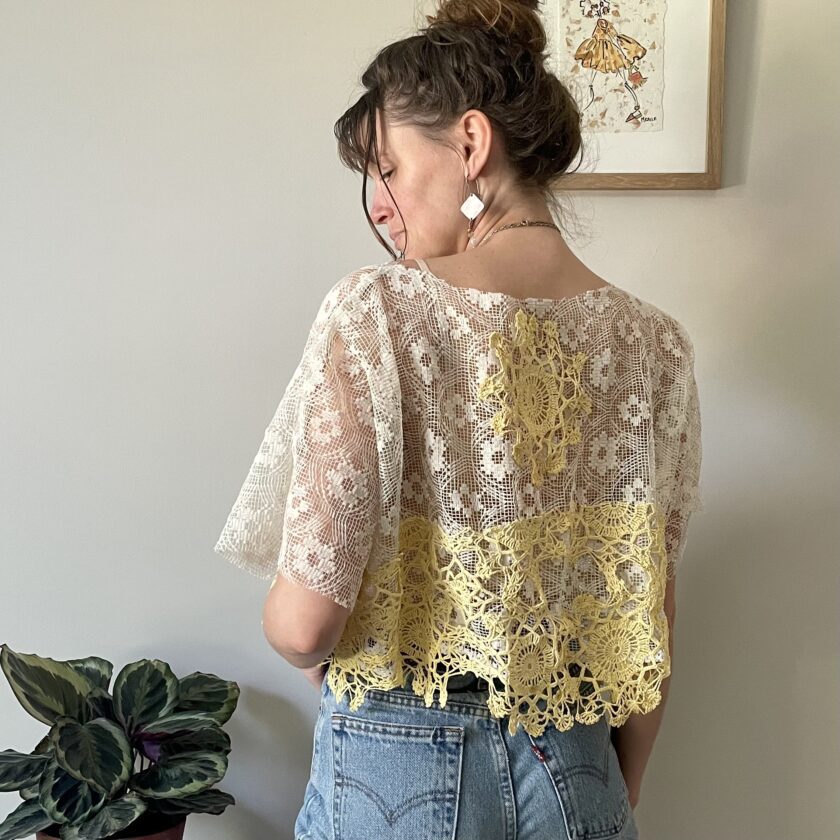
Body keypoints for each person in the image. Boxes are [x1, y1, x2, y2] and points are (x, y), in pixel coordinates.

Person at [213, 1, 704, 838]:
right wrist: (611, 792)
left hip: (399, 766)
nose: (378, 203)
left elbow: (305, 624)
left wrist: (305, 651)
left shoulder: (379, 314)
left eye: (388, 169)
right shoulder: (653, 345)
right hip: (580, 768)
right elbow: (645, 634)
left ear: (471, 145)